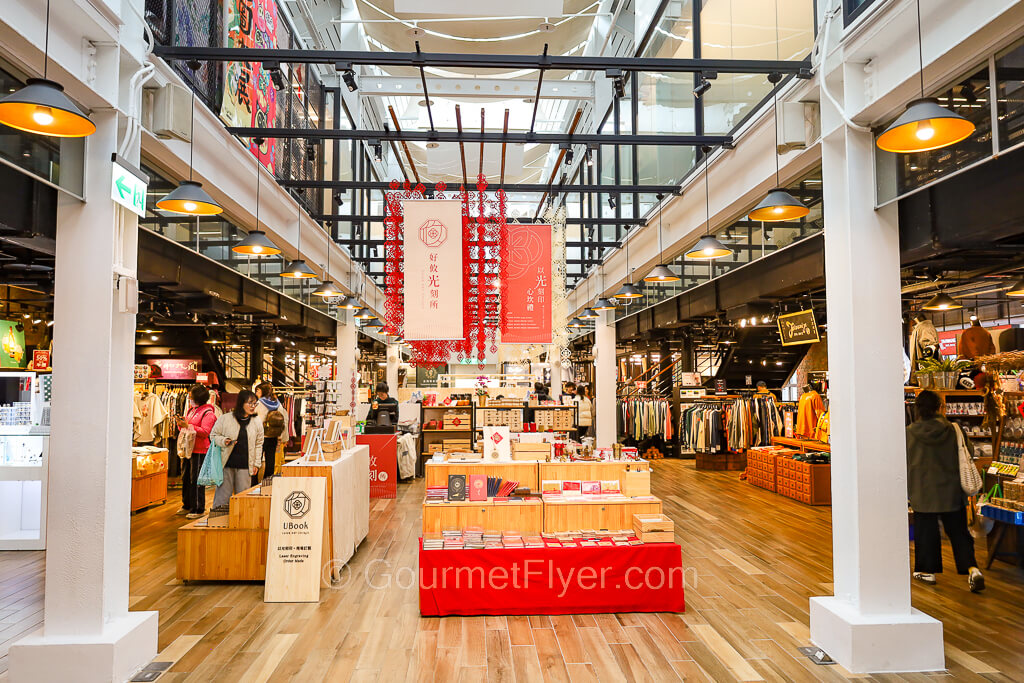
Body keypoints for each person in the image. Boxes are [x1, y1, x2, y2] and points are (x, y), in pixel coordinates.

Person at [906, 389, 984, 592]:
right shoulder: (954, 429)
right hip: (952, 491)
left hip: (923, 492)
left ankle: (927, 571)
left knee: (926, 532)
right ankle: (972, 569)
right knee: (959, 533)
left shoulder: (909, 433)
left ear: (918, 409)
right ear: (940, 407)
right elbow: (970, 452)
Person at [210, 389, 264, 510]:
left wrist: (256, 463)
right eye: (250, 403)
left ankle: (241, 521)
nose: (253, 406)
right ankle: (219, 521)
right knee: (222, 497)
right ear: (241, 403)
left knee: (243, 497)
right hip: (226, 463)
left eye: (255, 403)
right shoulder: (225, 418)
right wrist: (224, 441)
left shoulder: (257, 421)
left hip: (245, 465)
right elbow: (213, 435)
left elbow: (259, 443)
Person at [175, 384, 217, 519]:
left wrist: (188, 425)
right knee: (186, 477)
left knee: (197, 480)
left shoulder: (208, 413)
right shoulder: (191, 410)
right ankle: (186, 504)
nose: (189, 398)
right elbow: (186, 427)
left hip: (200, 450)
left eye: (191, 396)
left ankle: (198, 508)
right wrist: (181, 423)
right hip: (188, 448)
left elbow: (205, 432)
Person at [254, 382, 288, 485]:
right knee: (270, 461)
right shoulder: (277, 404)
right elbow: (284, 420)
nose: (256, 393)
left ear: (262, 391)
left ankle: (254, 483)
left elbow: (255, 421)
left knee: (257, 461)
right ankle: (267, 482)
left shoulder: (259, 404)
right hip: (273, 436)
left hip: (261, 437)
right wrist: (283, 437)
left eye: (258, 391)